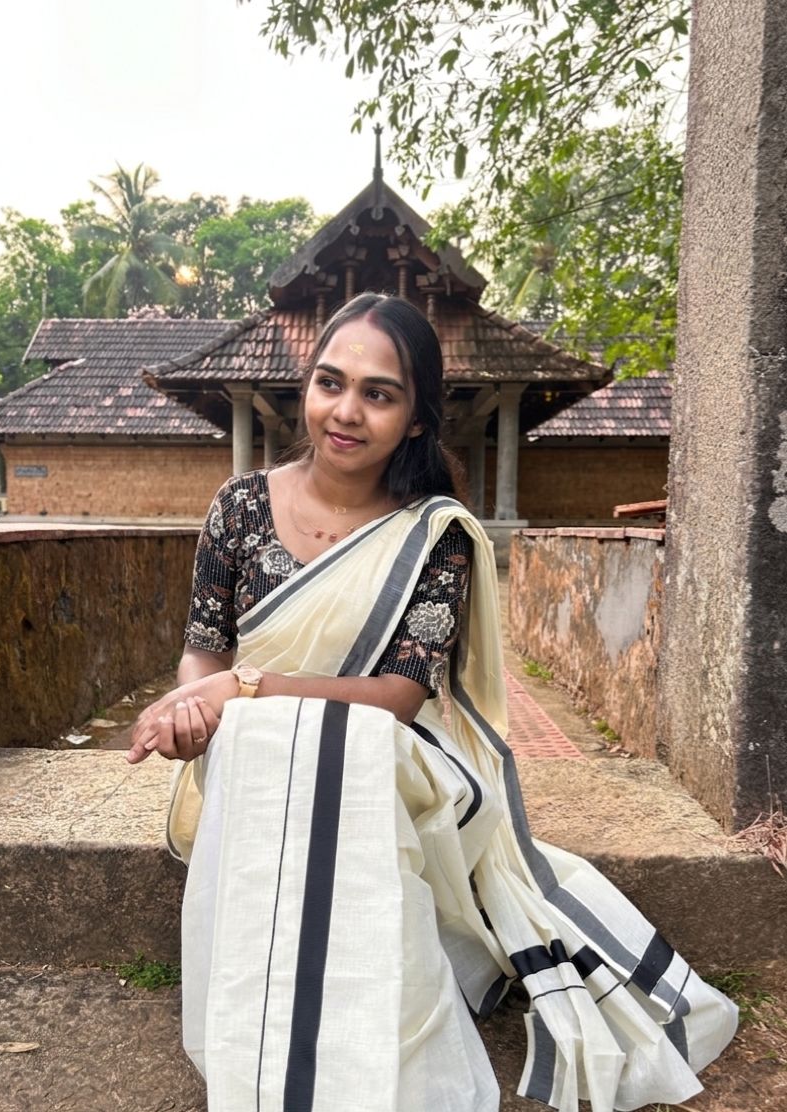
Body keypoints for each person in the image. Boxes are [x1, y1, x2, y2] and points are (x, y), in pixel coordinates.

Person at [126, 293, 737, 1112]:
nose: (345, 411)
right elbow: (205, 647)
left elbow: (397, 696)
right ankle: (261, 1032)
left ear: (414, 417)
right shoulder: (239, 506)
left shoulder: (433, 534)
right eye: (329, 383)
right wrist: (191, 708)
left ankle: (362, 1044)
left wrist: (244, 688)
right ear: (306, 387)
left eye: (378, 394)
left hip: (385, 752)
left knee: (331, 750)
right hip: (249, 748)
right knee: (261, 743)